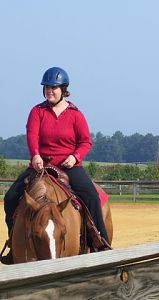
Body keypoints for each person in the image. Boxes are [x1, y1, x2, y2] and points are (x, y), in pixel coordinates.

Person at [1, 67, 109, 264]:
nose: (50, 90)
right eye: (47, 87)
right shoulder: (37, 111)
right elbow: (32, 135)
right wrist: (35, 155)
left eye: (54, 87)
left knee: (92, 196)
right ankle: (13, 243)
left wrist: (75, 157)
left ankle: (101, 243)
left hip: (68, 166)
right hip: (41, 165)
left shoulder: (76, 114)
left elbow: (86, 142)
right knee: (10, 198)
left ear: (64, 89)